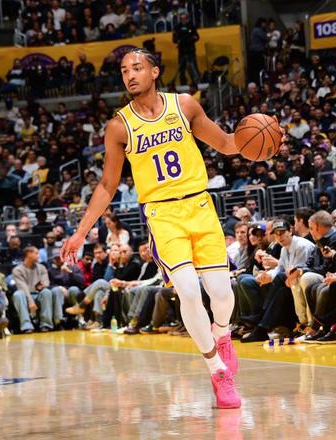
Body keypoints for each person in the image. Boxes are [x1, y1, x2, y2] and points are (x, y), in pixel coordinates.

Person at [61, 48, 254, 409]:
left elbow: (227, 143)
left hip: (200, 206)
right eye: (124, 71)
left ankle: (222, 333)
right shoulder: (119, 126)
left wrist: (258, 142)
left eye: (137, 68)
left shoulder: (184, 105)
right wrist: (81, 231)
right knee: (189, 292)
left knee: (222, 293)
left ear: (154, 72)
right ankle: (217, 371)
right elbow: (107, 185)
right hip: (162, 215)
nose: (130, 75)